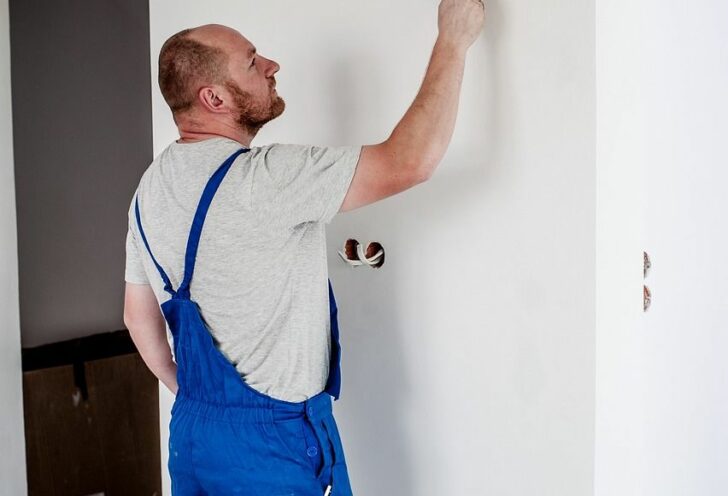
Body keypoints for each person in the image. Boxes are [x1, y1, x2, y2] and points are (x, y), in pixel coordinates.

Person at [123, 0, 485, 494]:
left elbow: (137, 318)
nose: (271, 66)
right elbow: (410, 160)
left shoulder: (150, 189)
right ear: (214, 98)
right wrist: (454, 40)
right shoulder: (264, 179)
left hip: (194, 436)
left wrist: (199, 401)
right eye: (252, 61)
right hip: (273, 447)